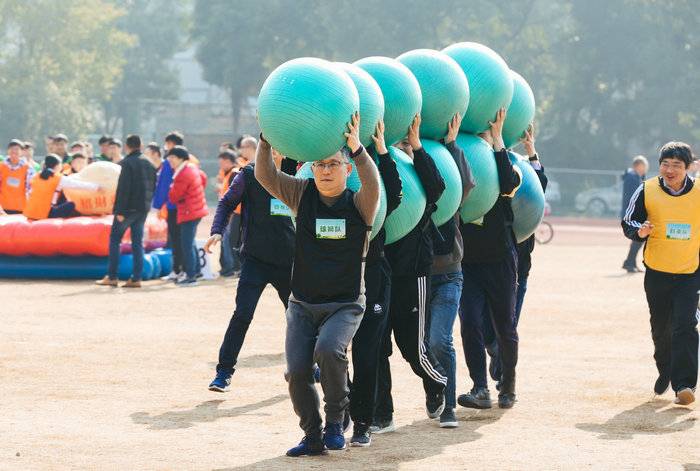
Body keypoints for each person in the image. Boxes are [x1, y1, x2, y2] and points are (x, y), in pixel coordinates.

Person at [256, 113, 380, 457]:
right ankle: (311, 436)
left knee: (329, 350)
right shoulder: (301, 194)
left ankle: (336, 422)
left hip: (344, 304)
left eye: (333, 164)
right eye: (320, 164)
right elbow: (265, 175)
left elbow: (374, 186)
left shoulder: (360, 205)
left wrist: (357, 148)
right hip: (303, 303)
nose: (325, 170)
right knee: (296, 371)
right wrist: (265, 141)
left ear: (347, 169)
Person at [373, 114, 448, 435]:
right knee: (375, 347)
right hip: (378, 271)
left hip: (412, 272)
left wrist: (415, 145)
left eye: (405, 142)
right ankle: (382, 414)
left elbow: (438, 187)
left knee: (412, 348)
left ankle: (437, 384)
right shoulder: (372, 165)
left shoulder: (418, 175)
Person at [204, 146, 297, 391]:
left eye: (281, 145)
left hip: (289, 261)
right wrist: (216, 231)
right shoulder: (249, 175)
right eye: (271, 144)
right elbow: (226, 204)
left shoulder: (299, 172)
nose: (276, 150)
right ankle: (223, 373)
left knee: (299, 318)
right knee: (242, 314)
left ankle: (307, 366)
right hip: (255, 260)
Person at [622, 141, 699, 406]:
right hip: (656, 273)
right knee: (661, 328)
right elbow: (629, 220)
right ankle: (665, 369)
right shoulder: (647, 190)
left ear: (688, 168)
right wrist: (639, 231)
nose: (669, 170)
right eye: (665, 164)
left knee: (685, 325)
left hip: (690, 273)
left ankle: (684, 385)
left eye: (676, 165)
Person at [458, 108, 523, 410]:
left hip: (499, 258)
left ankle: (507, 387)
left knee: (504, 326)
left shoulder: (502, 161)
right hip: (467, 262)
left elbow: (509, 183)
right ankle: (480, 388)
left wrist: (497, 141)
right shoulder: (456, 157)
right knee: (469, 323)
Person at [347, 120, 403, 447]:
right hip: (334, 282)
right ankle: (342, 413)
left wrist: (381, 151)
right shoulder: (321, 179)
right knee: (330, 354)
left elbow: (393, 192)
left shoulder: (375, 196)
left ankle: (364, 421)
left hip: (374, 281)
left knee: (368, 355)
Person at [486, 124, 548, 386]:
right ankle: (494, 347)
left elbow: (540, 184)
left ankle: (505, 374)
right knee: (488, 328)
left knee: (509, 321)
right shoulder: (488, 171)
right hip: (488, 259)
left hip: (519, 264)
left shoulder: (521, 168)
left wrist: (531, 151)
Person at [428, 113, 475, 428]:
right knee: (420, 347)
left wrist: (452, 145)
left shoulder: (452, 191)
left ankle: (448, 407)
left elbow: (467, 184)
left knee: (439, 340)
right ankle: (435, 390)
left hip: (448, 272)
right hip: (413, 274)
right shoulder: (409, 172)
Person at [96, 135, 156, 288]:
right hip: (143, 209)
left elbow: (123, 189)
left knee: (115, 240)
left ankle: (112, 276)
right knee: (137, 243)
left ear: (127, 147)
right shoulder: (149, 164)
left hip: (127, 209)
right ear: (141, 145)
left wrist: (119, 210)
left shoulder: (127, 163)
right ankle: (136, 278)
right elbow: (153, 187)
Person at [167, 145, 209, 287]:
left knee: (186, 244)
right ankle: (196, 272)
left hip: (189, 212)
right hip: (195, 210)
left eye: (172, 157)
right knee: (190, 243)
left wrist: (171, 187)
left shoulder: (182, 173)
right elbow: (204, 178)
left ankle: (191, 276)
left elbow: (173, 197)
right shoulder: (191, 168)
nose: (169, 160)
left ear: (180, 158)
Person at [23, 155, 101, 220]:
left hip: (30, 213)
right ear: (57, 166)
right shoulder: (57, 178)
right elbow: (77, 184)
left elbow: (29, 193)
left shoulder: (36, 176)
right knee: (71, 204)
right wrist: (96, 187)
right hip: (46, 214)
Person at [154, 131, 186, 282]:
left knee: (176, 239)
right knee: (182, 239)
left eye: (167, 144)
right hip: (182, 207)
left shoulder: (169, 162)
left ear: (173, 144)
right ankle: (182, 270)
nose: (166, 147)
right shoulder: (189, 160)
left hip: (174, 206)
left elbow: (163, 185)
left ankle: (178, 270)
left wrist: (158, 204)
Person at [621, 155, 649, 273]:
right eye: (644, 166)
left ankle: (630, 262)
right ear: (638, 165)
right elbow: (636, 196)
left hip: (634, 212)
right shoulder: (632, 177)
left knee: (638, 238)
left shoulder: (635, 176)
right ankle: (629, 262)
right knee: (638, 237)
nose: (646, 169)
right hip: (633, 213)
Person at [215, 150, 240, 277]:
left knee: (230, 241)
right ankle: (231, 268)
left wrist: (228, 215)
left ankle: (232, 268)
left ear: (227, 161)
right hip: (232, 213)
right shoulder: (228, 173)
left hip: (234, 213)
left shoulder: (234, 173)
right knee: (228, 241)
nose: (220, 165)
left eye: (222, 162)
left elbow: (233, 198)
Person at [0, 139, 35, 215]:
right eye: (11, 148)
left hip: (20, 209)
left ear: (22, 152)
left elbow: (31, 189)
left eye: (17, 149)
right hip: (2, 208)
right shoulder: (1, 166)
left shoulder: (28, 168)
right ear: (8, 151)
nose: (14, 151)